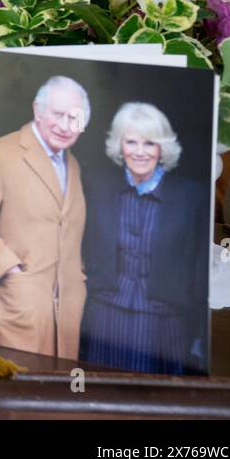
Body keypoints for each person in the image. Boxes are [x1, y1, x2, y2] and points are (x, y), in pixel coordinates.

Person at [79, 102, 209, 375]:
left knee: (155, 401)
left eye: (149, 143)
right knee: (100, 398)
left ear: (162, 148)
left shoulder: (193, 196)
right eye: (131, 142)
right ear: (119, 145)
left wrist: (199, 332)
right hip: (104, 316)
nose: (139, 152)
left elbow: (201, 269)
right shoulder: (95, 186)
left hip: (165, 324)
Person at [0, 75, 89, 359]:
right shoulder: (0, 153)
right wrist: (11, 270)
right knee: (16, 390)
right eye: (58, 114)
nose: (66, 126)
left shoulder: (73, 164)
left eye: (75, 117)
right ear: (37, 110)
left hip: (65, 308)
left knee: (56, 394)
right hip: (15, 299)